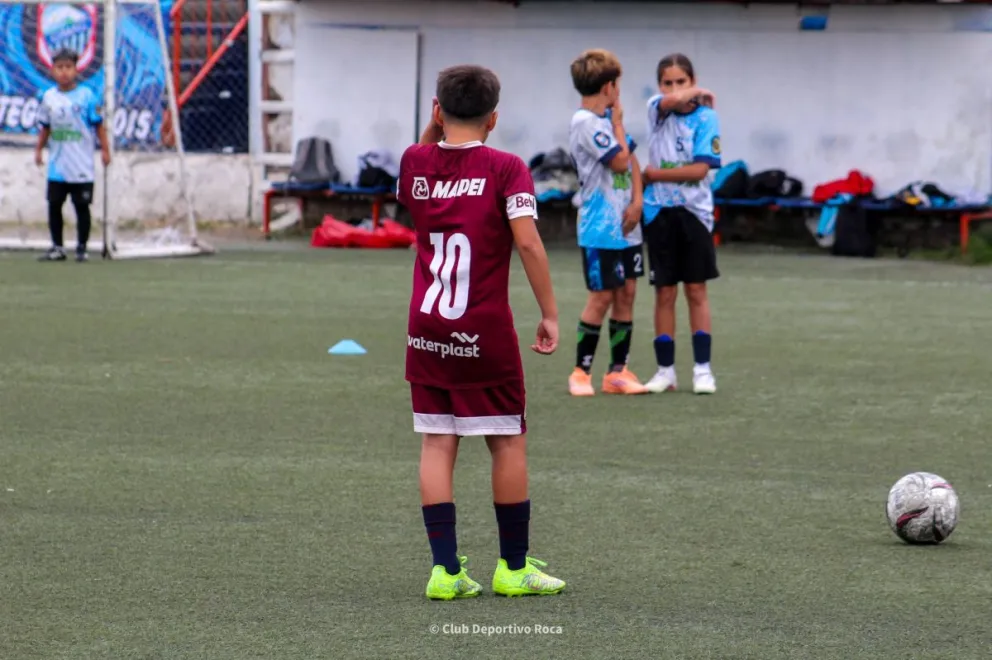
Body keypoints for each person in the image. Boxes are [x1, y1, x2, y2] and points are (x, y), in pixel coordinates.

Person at [398, 64, 566, 600]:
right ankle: (512, 568)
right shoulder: (507, 167)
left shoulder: (415, 160)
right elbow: (530, 243)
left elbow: (417, 174)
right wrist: (551, 312)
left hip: (427, 330)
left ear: (439, 111)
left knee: (437, 442)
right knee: (507, 440)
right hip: (482, 329)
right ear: (494, 118)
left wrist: (432, 131)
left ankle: (444, 572)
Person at [566, 49, 648, 397]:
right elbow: (617, 162)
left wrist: (637, 202)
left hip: (626, 225)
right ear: (609, 86)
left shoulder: (608, 124)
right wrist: (617, 122)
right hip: (600, 227)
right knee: (601, 297)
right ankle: (580, 372)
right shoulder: (586, 123)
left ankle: (618, 372)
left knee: (627, 292)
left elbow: (632, 163)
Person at [641, 53, 720, 395]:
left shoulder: (707, 118)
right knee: (664, 293)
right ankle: (665, 371)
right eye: (667, 82)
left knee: (697, 290)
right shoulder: (656, 110)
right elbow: (670, 102)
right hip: (658, 212)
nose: (673, 89)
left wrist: (654, 174)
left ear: (692, 80)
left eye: (681, 82)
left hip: (695, 213)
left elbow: (701, 170)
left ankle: (702, 370)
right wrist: (692, 93)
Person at [34, 48, 110, 262]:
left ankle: (82, 248)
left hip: (81, 166)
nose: (64, 72)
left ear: (76, 70)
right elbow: (45, 127)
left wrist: (105, 149)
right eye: (60, 68)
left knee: (81, 207)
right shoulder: (48, 97)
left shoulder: (87, 96)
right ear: (52, 71)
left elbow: (98, 125)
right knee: (54, 205)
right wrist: (39, 149)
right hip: (57, 166)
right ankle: (57, 247)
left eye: (68, 67)